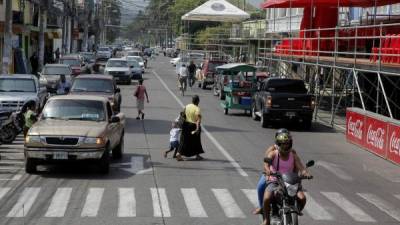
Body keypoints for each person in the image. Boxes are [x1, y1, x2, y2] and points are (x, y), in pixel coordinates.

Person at [256, 129, 312, 225]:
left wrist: (305, 173)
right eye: (283, 144)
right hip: (275, 180)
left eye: (287, 143)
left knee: (302, 198)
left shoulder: (293, 155)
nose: (285, 145)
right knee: (266, 198)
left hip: (290, 181)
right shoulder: (273, 153)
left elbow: (300, 166)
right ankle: (266, 220)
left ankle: (296, 211)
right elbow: (266, 163)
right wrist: (268, 170)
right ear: (278, 144)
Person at [176, 95, 204, 161]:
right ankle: (197, 155)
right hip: (193, 126)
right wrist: (197, 128)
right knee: (196, 141)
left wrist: (180, 124)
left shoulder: (187, 106)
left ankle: (178, 153)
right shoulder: (197, 109)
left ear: (192, 100)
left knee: (183, 140)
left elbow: (182, 114)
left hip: (185, 125)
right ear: (198, 101)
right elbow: (198, 120)